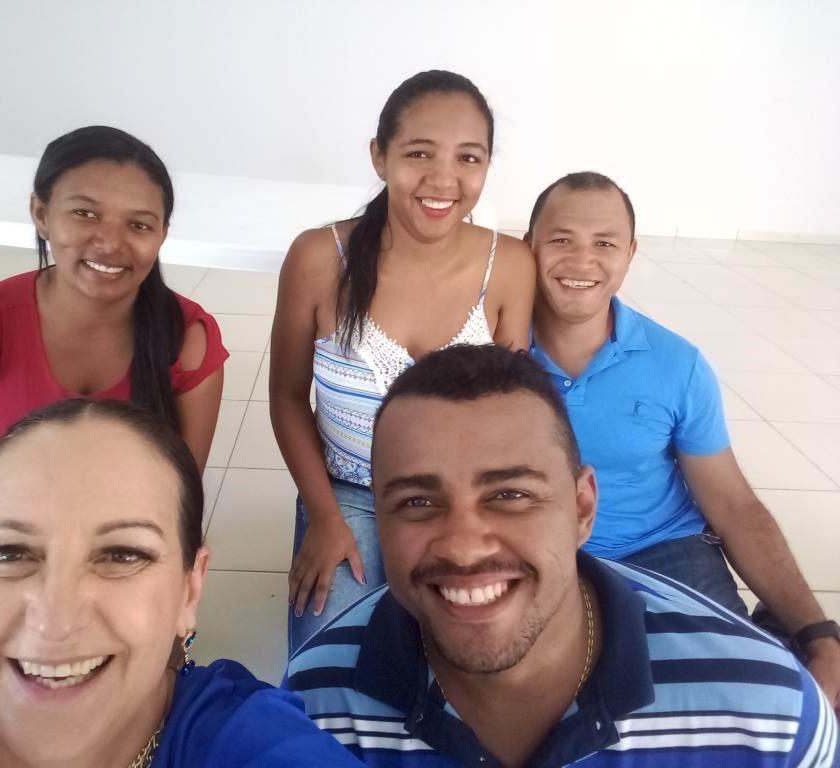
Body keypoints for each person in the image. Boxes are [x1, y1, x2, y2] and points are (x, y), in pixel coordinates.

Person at [286, 345, 838, 766]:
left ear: (582, 508)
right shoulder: (314, 705)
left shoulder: (770, 717)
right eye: (417, 502)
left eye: (510, 495)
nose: (463, 546)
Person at [0, 399, 363, 768]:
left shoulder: (249, 743)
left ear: (189, 590)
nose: (55, 621)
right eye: (8, 553)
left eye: (122, 554)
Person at [525, 171, 839, 709]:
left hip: (664, 548)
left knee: (738, 699)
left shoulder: (677, 364)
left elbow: (733, 504)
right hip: (536, 553)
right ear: (527, 245)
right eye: (561, 239)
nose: (582, 261)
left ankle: (771, 634)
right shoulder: (490, 352)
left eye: (605, 243)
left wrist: (816, 631)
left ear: (630, 253)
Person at [271, 70, 536, 654]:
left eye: (468, 158)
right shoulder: (319, 257)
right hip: (349, 490)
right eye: (419, 153)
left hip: (462, 500)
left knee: (471, 659)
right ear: (380, 156)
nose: (443, 179)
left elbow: (514, 415)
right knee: (329, 665)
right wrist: (324, 516)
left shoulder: (511, 265)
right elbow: (287, 398)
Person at [0, 126, 228, 528]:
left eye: (139, 225)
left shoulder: (188, 337)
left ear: (162, 235)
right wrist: (36, 537)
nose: (110, 243)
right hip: (21, 538)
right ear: (41, 214)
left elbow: (181, 495)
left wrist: (108, 548)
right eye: (85, 213)